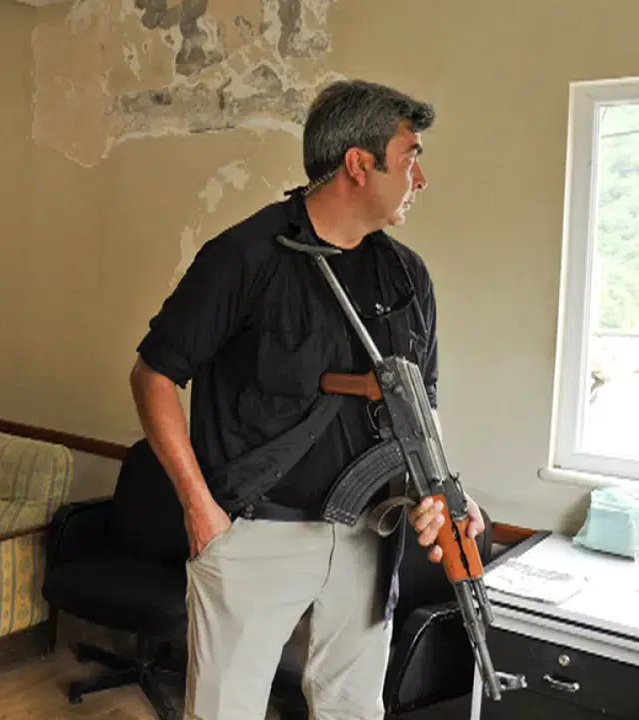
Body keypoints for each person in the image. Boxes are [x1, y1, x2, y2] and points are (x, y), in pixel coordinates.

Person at [129, 79, 485, 719]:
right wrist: (200, 511)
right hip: (253, 532)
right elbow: (153, 376)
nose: (421, 178)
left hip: (370, 536)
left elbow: (422, 406)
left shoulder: (408, 277)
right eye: (410, 157)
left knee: (354, 711)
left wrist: (441, 492)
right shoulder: (243, 257)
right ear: (358, 163)